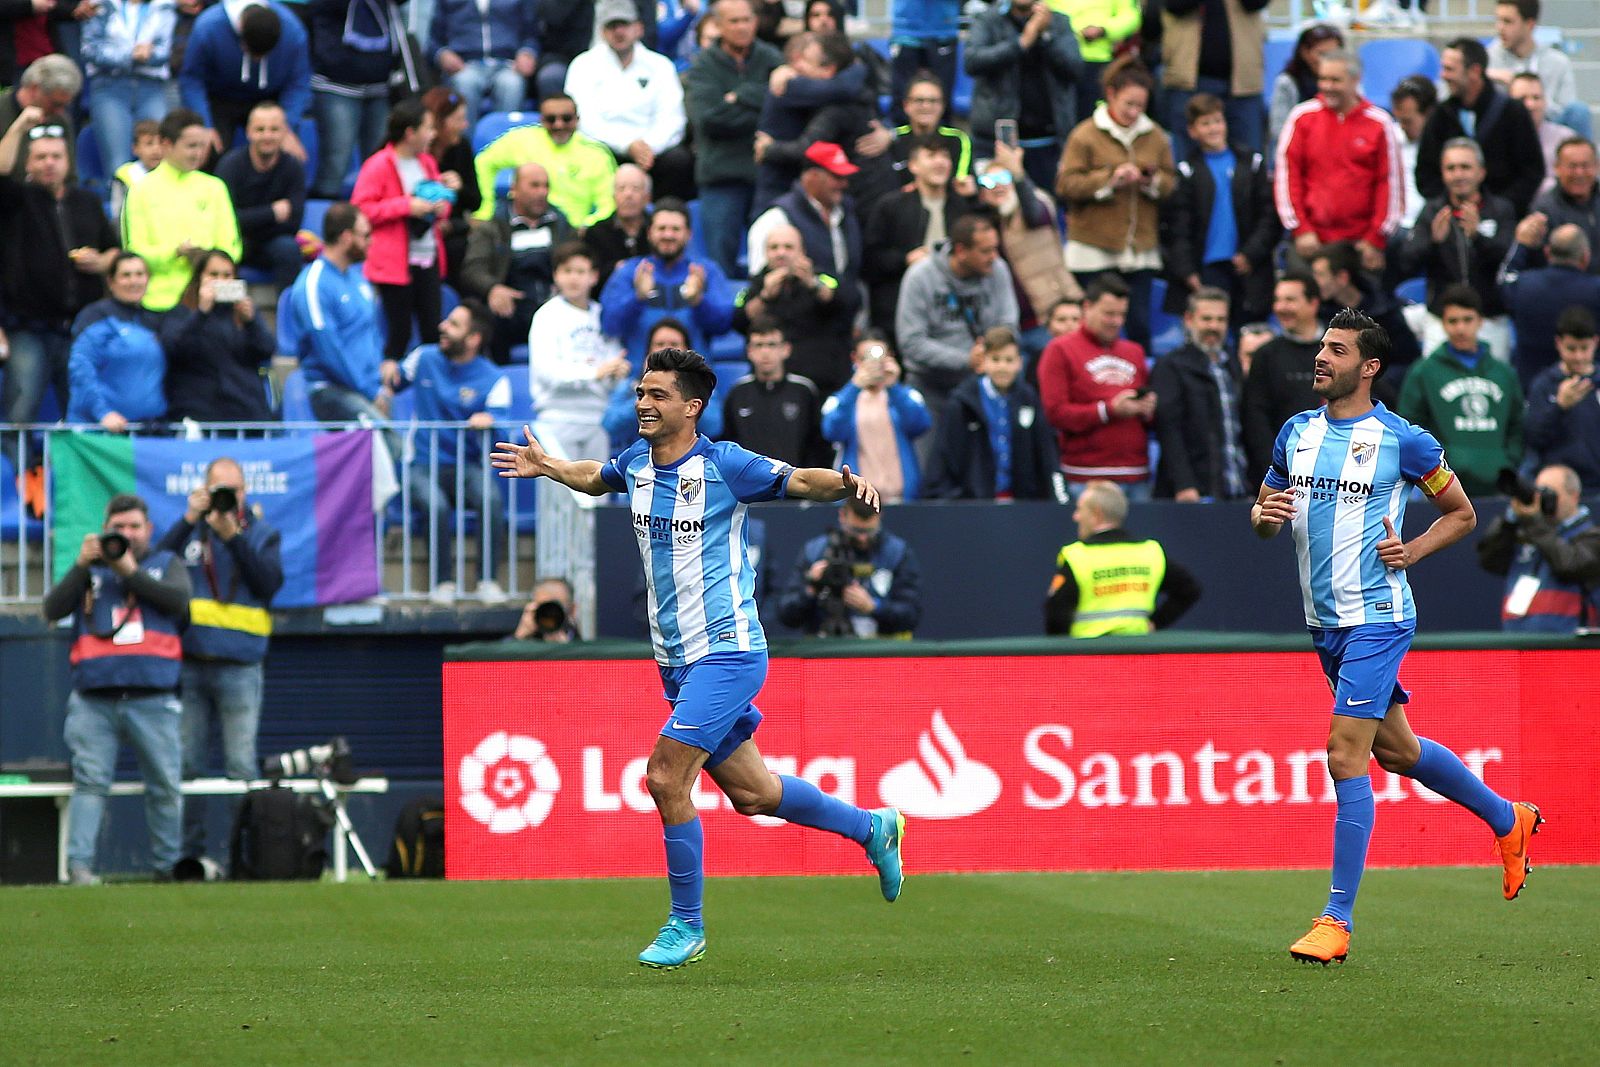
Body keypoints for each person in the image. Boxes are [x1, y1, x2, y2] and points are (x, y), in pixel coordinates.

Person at [491, 344, 908, 971]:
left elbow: (797, 478)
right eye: (639, 393)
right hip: (676, 660)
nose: (643, 404)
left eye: (658, 395)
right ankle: (872, 829)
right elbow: (593, 476)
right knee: (755, 794)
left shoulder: (724, 464)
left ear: (692, 406)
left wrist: (845, 485)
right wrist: (546, 465)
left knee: (664, 776)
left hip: (729, 651)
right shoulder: (635, 461)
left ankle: (686, 926)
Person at [1250, 306, 1540, 965]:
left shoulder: (1404, 440)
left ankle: (1336, 919)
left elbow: (1461, 513)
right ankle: (1508, 818)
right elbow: (1265, 517)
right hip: (1325, 623)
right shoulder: (1294, 433)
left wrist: (1414, 549)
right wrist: (1263, 516)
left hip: (1378, 616)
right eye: (1322, 346)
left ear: (1368, 367)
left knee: (1343, 753)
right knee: (1399, 752)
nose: (1321, 357)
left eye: (1337, 349)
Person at [43, 493, 191, 884]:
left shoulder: (166, 563)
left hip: (153, 698)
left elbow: (178, 604)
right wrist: (80, 565)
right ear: (105, 529)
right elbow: (51, 610)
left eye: (134, 527)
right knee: (90, 783)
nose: (126, 534)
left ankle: (167, 867)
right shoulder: (90, 571)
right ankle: (79, 869)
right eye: (118, 528)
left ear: (149, 530)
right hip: (95, 699)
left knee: (164, 785)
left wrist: (129, 571)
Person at [155, 456, 283, 866]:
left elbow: (268, 583)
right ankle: (187, 859)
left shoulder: (260, 533)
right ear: (205, 490)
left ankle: (242, 859)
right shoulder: (191, 529)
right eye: (220, 490)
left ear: (246, 492)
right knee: (187, 766)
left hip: (241, 666)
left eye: (236, 489)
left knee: (240, 767)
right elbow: (152, 569)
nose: (229, 497)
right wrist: (189, 518)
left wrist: (233, 538)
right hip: (191, 663)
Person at [0, 126, 118, 448]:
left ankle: (77, 485)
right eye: (40, 157)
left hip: (80, 328)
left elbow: (115, 251)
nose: (49, 163)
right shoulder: (14, 199)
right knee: (20, 414)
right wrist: (22, 125)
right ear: (27, 163)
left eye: (56, 156)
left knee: (82, 414)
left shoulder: (88, 201)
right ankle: (17, 490)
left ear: (68, 162)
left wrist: (103, 262)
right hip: (27, 326)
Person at [1057, 58, 1175, 355]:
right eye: (1128, 104)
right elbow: (1066, 185)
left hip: (1140, 252)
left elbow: (1171, 184)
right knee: (1094, 333)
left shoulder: (1156, 136)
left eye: (1141, 106)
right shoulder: (1084, 134)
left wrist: (1151, 181)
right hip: (1093, 251)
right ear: (1110, 94)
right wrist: (1110, 179)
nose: (1135, 112)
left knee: (1139, 330)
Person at [397, 299, 512, 602]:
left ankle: (488, 581)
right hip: (421, 464)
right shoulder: (423, 357)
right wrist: (383, 377)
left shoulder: (494, 378)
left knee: (490, 497)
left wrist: (491, 421)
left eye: (453, 325)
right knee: (435, 506)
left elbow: (503, 427)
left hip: (466, 465)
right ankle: (442, 583)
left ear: (473, 339)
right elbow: (391, 380)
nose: (442, 327)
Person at [894, 213, 1019, 453]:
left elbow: (1008, 323)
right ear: (961, 251)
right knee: (929, 466)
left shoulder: (998, 270)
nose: (994, 257)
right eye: (985, 251)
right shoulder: (920, 277)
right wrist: (966, 360)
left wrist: (991, 350)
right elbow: (911, 342)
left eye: (995, 249)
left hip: (981, 385)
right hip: (930, 387)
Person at [1273, 50, 1402, 276]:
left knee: (1362, 309)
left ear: (1355, 80)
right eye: (1322, 79)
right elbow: (1287, 176)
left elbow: (1390, 183)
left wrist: (1375, 238)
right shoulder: (1301, 117)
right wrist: (1300, 229)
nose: (1326, 86)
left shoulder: (1380, 123)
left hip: (1361, 245)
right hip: (1311, 241)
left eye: (1335, 80)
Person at [683, 0, 782, 279]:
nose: (742, 27)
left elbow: (784, 108)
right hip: (721, 176)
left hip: (766, 174)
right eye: (734, 21)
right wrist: (763, 102)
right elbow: (710, 120)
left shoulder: (771, 57)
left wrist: (738, 96)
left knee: (770, 260)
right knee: (719, 266)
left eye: (746, 20)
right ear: (719, 25)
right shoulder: (702, 65)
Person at [1395, 137, 1517, 363]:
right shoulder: (1432, 211)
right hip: (1442, 320)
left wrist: (1478, 237)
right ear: (1443, 173)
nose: (1458, 174)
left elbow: (1508, 261)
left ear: (1481, 172)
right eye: (1451, 168)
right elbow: (1407, 262)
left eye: (1465, 167)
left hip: (1489, 318)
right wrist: (1433, 242)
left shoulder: (1501, 210)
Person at [1396, 285, 1524, 499]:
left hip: (1497, 483)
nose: (1460, 328)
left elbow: (1517, 424)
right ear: (1443, 324)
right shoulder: (1423, 372)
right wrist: (1434, 468)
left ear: (1480, 321)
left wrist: (1507, 462)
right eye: (1453, 321)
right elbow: (1410, 428)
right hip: (1441, 486)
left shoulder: (1504, 373)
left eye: (1467, 319)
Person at [1163, 93, 1277, 328]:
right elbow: (1179, 228)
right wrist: (1187, 271)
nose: (1213, 128)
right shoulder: (1186, 172)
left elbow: (1268, 215)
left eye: (1217, 120)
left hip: (1247, 266)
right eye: (1205, 123)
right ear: (1193, 131)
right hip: (1206, 270)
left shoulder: (1252, 163)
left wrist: (1251, 253)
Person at [353, 98, 454, 363]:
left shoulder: (427, 163)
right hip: (394, 263)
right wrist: (406, 206)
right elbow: (361, 210)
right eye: (428, 128)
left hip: (427, 254)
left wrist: (442, 204)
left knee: (434, 330)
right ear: (411, 132)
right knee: (399, 334)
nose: (433, 134)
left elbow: (437, 202)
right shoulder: (378, 164)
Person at [1036, 274, 1156, 498]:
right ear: (1087, 307)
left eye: (1122, 314)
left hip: (1136, 475)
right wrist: (1108, 410)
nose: (1117, 321)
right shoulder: (1060, 350)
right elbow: (1056, 413)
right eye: (1109, 314)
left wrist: (1146, 409)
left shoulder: (1134, 351)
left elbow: (1148, 418)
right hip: (1086, 478)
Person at [565, 0, 693, 202]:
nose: (619, 32)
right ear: (602, 31)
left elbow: (672, 118)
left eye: (625, 24)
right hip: (605, 148)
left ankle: (663, 217)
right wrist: (626, 145)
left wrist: (648, 147)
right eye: (612, 26)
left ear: (639, 28)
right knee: (585, 156)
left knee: (679, 160)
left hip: (651, 151)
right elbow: (584, 120)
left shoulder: (660, 65)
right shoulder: (583, 65)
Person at [283, 203, 398, 424]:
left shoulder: (359, 280)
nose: (371, 241)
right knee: (390, 445)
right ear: (346, 237)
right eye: (365, 235)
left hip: (368, 390)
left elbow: (371, 335)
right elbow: (327, 347)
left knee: (392, 452)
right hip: (331, 391)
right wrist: (368, 391)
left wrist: (379, 387)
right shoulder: (314, 283)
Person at [122, 108, 243, 312]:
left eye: (201, 146)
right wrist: (175, 252)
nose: (198, 153)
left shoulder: (215, 187)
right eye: (191, 146)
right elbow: (135, 252)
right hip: (160, 301)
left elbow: (233, 249)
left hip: (214, 298)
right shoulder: (140, 189)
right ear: (166, 144)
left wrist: (205, 258)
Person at [745, 144, 864, 349]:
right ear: (812, 176)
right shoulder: (776, 219)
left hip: (839, 336)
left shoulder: (846, 213)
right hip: (793, 340)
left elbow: (850, 275)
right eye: (836, 177)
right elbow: (761, 282)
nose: (843, 184)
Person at [1045, 478, 1200, 635]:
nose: (1076, 517)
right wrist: (1155, 623)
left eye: (1079, 509)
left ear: (1096, 514)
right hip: (1136, 653)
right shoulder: (1150, 553)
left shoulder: (1077, 556)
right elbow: (1189, 590)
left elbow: (1056, 615)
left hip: (1089, 654)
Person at [926, 324, 1060, 501]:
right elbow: (943, 456)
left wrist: (1055, 496)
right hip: (975, 506)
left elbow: (1046, 453)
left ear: (1019, 362)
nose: (1002, 367)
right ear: (983, 361)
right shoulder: (961, 404)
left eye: (1009, 360)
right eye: (996, 359)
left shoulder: (1029, 398)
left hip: (1022, 504)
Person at [600, 197, 735, 368]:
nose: (668, 235)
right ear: (649, 232)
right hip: (639, 382)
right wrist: (638, 298)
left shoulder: (706, 271)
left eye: (676, 229)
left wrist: (698, 301)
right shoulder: (631, 271)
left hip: (694, 382)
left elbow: (724, 326)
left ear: (689, 234)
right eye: (662, 228)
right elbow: (609, 326)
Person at [1416, 37, 1544, 217]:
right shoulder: (1440, 115)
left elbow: (1531, 171)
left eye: (1450, 69)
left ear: (1475, 71)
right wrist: (1450, 207)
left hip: (1504, 221)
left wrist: (1499, 209)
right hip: (1451, 221)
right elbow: (1425, 173)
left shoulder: (1513, 112)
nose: (1443, 76)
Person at [461, 161, 575, 361]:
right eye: (534, 185)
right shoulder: (493, 227)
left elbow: (576, 257)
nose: (542, 192)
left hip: (554, 301)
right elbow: (473, 268)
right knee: (493, 316)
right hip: (512, 305)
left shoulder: (560, 224)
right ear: (514, 189)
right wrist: (493, 288)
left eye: (545, 186)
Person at [528, 242, 631, 462]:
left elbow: (611, 366)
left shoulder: (603, 315)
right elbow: (547, 371)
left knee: (598, 494)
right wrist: (596, 372)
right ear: (556, 275)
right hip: (557, 419)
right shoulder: (546, 315)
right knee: (560, 496)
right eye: (567, 271)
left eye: (581, 271)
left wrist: (617, 372)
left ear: (594, 276)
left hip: (598, 418)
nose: (574, 278)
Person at [862, 133, 975, 334]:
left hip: (954, 314)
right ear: (913, 165)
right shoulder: (890, 206)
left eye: (945, 156)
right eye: (932, 156)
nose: (940, 162)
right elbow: (870, 260)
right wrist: (905, 259)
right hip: (902, 312)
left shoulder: (962, 207)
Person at [964, 0, 1080, 192]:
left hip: (1049, 140)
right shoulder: (988, 20)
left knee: (1046, 211)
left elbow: (1075, 69)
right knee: (999, 208)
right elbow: (972, 62)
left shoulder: (1058, 22)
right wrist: (1020, 43)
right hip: (999, 141)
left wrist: (1044, 36)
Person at [1151, 286, 1249, 501]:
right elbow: (1169, 430)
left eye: (1220, 320)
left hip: (1237, 486)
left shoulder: (1232, 365)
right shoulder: (1170, 366)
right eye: (1206, 319)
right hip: (1195, 490)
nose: (1214, 326)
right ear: (1189, 319)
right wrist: (1184, 484)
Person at [776, 494, 923, 638]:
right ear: (842, 516)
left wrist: (874, 607)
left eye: (869, 531)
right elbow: (786, 615)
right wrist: (811, 588)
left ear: (880, 517)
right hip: (824, 647)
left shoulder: (897, 553)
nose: (862, 538)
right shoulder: (815, 551)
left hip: (880, 651)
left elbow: (911, 615)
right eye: (856, 530)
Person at [179, 0, 312, 158]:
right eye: (252, 53)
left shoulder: (293, 31)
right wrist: (204, 124)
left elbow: (298, 83)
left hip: (268, 97)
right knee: (208, 149)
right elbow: (191, 79)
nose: (257, 60)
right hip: (220, 97)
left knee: (286, 151)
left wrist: (286, 126)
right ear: (240, 37)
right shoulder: (208, 27)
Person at [1476, 463, 1600, 632]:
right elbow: (1489, 560)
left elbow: (1570, 565)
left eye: (1549, 494)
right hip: (1517, 644)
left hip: (1568, 648)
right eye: (1539, 492)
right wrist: (1509, 521)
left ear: (1574, 496)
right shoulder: (1528, 533)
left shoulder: (1591, 537)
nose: (1541, 500)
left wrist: (1534, 522)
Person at [733, 222, 852, 396]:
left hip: (822, 380)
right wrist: (765, 296)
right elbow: (738, 319)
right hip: (771, 383)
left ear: (802, 251)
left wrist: (812, 284)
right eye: (774, 248)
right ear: (766, 253)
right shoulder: (755, 285)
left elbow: (845, 301)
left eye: (788, 247)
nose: (781, 253)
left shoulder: (822, 278)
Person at [470, 92, 617, 228]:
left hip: (574, 233)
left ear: (577, 119)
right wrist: (486, 208)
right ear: (541, 120)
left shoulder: (596, 153)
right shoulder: (521, 140)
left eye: (566, 118)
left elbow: (609, 204)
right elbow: (483, 163)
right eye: (551, 119)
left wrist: (589, 226)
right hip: (525, 228)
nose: (559, 125)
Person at [161, 249, 276, 422]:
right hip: (200, 414)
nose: (220, 281)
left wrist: (252, 322)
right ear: (199, 277)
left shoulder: (243, 315)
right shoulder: (181, 313)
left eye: (227, 275)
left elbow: (266, 351)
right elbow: (176, 350)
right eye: (213, 275)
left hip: (246, 412)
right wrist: (201, 313)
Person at [819, 332, 932, 504]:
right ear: (855, 359)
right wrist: (854, 387)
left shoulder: (907, 395)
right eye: (866, 357)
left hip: (902, 498)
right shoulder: (841, 399)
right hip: (856, 500)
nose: (873, 364)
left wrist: (894, 387)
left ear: (890, 358)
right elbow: (832, 432)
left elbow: (920, 425)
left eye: (879, 357)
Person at [307, 0, 402, 200]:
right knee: (336, 163)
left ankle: (375, 223)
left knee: (379, 163)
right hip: (336, 85)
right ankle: (324, 226)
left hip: (380, 86)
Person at [67, 252, 166, 433]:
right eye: (126, 275)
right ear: (111, 282)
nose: (134, 281)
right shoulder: (95, 316)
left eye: (139, 274)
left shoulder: (155, 320)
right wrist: (102, 413)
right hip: (101, 432)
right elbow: (81, 368)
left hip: (146, 432)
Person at [216, 100, 306, 291]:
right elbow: (225, 221)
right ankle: (226, 313)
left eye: (274, 129)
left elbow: (294, 221)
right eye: (260, 129)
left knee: (289, 249)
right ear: (248, 132)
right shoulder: (230, 166)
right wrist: (272, 213)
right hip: (237, 241)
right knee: (222, 254)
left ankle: (287, 313)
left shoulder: (293, 167)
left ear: (284, 132)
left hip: (274, 243)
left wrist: (249, 219)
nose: (267, 136)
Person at [1160, 0, 1269, 158]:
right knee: (1187, 158)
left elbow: (1255, 3)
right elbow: (1174, 5)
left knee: (1249, 158)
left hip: (1243, 83)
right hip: (1187, 80)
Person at [79, 0, 178, 174]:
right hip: (109, 87)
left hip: (152, 87)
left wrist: (151, 54)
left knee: (161, 157)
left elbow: (166, 50)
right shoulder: (99, 4)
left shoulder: (165, 5)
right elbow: (89, 49)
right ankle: (120, 200)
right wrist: (130, 55)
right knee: (118, 164)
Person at [1498, 222, 1600, 389]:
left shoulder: (1523, 285)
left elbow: (1504, 279)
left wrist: (1521, 245)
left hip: (1530, 388)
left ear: (1547, 253)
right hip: (1588, 389)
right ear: (1585, 257)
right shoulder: (1596, 290)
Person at [1242, 270, 1323, 476]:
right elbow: (1256, 418)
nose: (1280, 307)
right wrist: (1274, 470)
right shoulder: (1265, 356)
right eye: (1277, 300)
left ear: (1313, 303)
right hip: (1282, 472)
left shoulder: (1338, 352)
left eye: (1290, 300)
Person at [720, 317, 828, 468]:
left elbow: (818, 446)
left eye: (772, 345)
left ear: (786, 349)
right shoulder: (737, 392)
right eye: (759, 345)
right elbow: (729, 444)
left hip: (796, 485)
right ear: (749, 351)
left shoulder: (804, 391)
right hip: (750, 487)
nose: (765, 352)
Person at [1309, 241, 1421, 373]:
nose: (1314, 282)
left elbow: (1406, 359)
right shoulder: (1317, 312)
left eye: (1320, 275)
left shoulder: (1384, 310)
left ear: (1342, 278)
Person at [1523, 306, 1600, 487]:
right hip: (1558, 484)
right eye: (1571, 348)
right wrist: (1559, 407)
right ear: (1558, 343)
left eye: (1584, 348)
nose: (1579, 356)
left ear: (1595, 342)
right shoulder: (1544, 384)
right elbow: (1532, 439)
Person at [427, 0, 537, 126]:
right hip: (465, 65)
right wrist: (442, 54)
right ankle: (464, 144)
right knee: (465, 83)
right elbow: (433, 40)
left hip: (508, 64)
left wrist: (527, 52)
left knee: (512, 84)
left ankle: (504, 142)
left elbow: (532, 34)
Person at [1487, 0, 1584, 137]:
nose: (1500, 28)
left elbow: (1567, 107)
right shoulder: (1486, 60)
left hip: (1548, 125)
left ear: (1530, 24)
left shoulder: (1557, 62)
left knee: (1579, 111)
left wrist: (1537, 102)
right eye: (1498, 20)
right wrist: (1488, 75)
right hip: (1502, 128)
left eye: (1508, 21)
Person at [423, 86, 482, 292]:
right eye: (458, 120)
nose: (464, 125)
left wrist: (460, 188)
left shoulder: (461, 147)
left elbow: (476, 201)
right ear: (438, 123)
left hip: (454, 230)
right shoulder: (415, 151)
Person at [0, 54, 83, 181]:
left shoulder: (60, 119)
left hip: (47, 198)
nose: (60, 111)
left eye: (65, 106)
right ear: (34, 89)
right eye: (56, 104)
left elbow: (70, 177)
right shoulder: (3, 110)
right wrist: (17, 129)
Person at [1267, 21, 1342, 151]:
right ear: (1305, 52)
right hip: (1298, 151)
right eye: (1322, 54)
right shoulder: (1287, 82)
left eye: (1334, 55)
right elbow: (1278, 130)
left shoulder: (1348, 82)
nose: (1328, 61)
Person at [1528, 136, 1600, 264]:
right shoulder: (1544, 210)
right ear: (1557, 168)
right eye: (1572, 166)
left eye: (1585, 165)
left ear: (1597, 166)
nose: (1579, 173)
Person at [889, 72, 971, 184]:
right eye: (919, 100)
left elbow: (961, 184)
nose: (926, 106)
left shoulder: (958, 139)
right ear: (906, 105)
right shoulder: (892, 138)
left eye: (933, 101)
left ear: (942, 106)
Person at [885, 0, 958, 123]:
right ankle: (900, 139)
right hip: (905, 29)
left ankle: (942, 141)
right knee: (901, 98)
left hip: (943, 29)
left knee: (943, 96)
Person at [583, 163, 651, 291]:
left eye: (635, 188)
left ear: (647, 197)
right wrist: (616, 269)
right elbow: (590, 277)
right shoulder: (595, 233)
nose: (628, 195)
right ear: (613, 196)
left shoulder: (657, 229)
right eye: (621, 188)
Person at [1508, 73, 1577, 198]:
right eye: (1522, 99)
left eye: (1536, 98)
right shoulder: (1499, 139)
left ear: (1545, 102)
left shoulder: (1566, 138)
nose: (1531, 105)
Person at [1390, 76, 1437, 231]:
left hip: (1427, 223)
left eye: (1407, 121)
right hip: (1394, 224)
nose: (1402, 127)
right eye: (1399, 120)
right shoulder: (1390, 138)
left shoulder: (1443, 145)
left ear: (1429, 114)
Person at [509, 576, 583, 642]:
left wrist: (567, 651)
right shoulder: (527, 638)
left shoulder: (580, 646)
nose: (550, 615)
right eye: (544, 608)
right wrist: (520, 637)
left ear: (573, 610)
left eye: (555, 609)